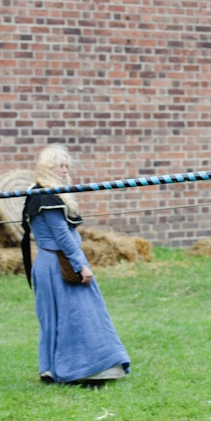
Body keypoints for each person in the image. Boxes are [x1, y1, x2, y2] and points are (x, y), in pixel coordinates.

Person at [21, 145, 131, 383]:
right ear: (47, 167)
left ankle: (55, 369)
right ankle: (81, 369)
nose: (64, 170)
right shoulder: (44, 196)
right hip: (57, 265)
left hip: (52, 264)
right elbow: (62, 237)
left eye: (65, 166)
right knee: (75, 316)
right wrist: (81, 265)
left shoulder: (44, 193)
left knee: (68, 316)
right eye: (58, 166)